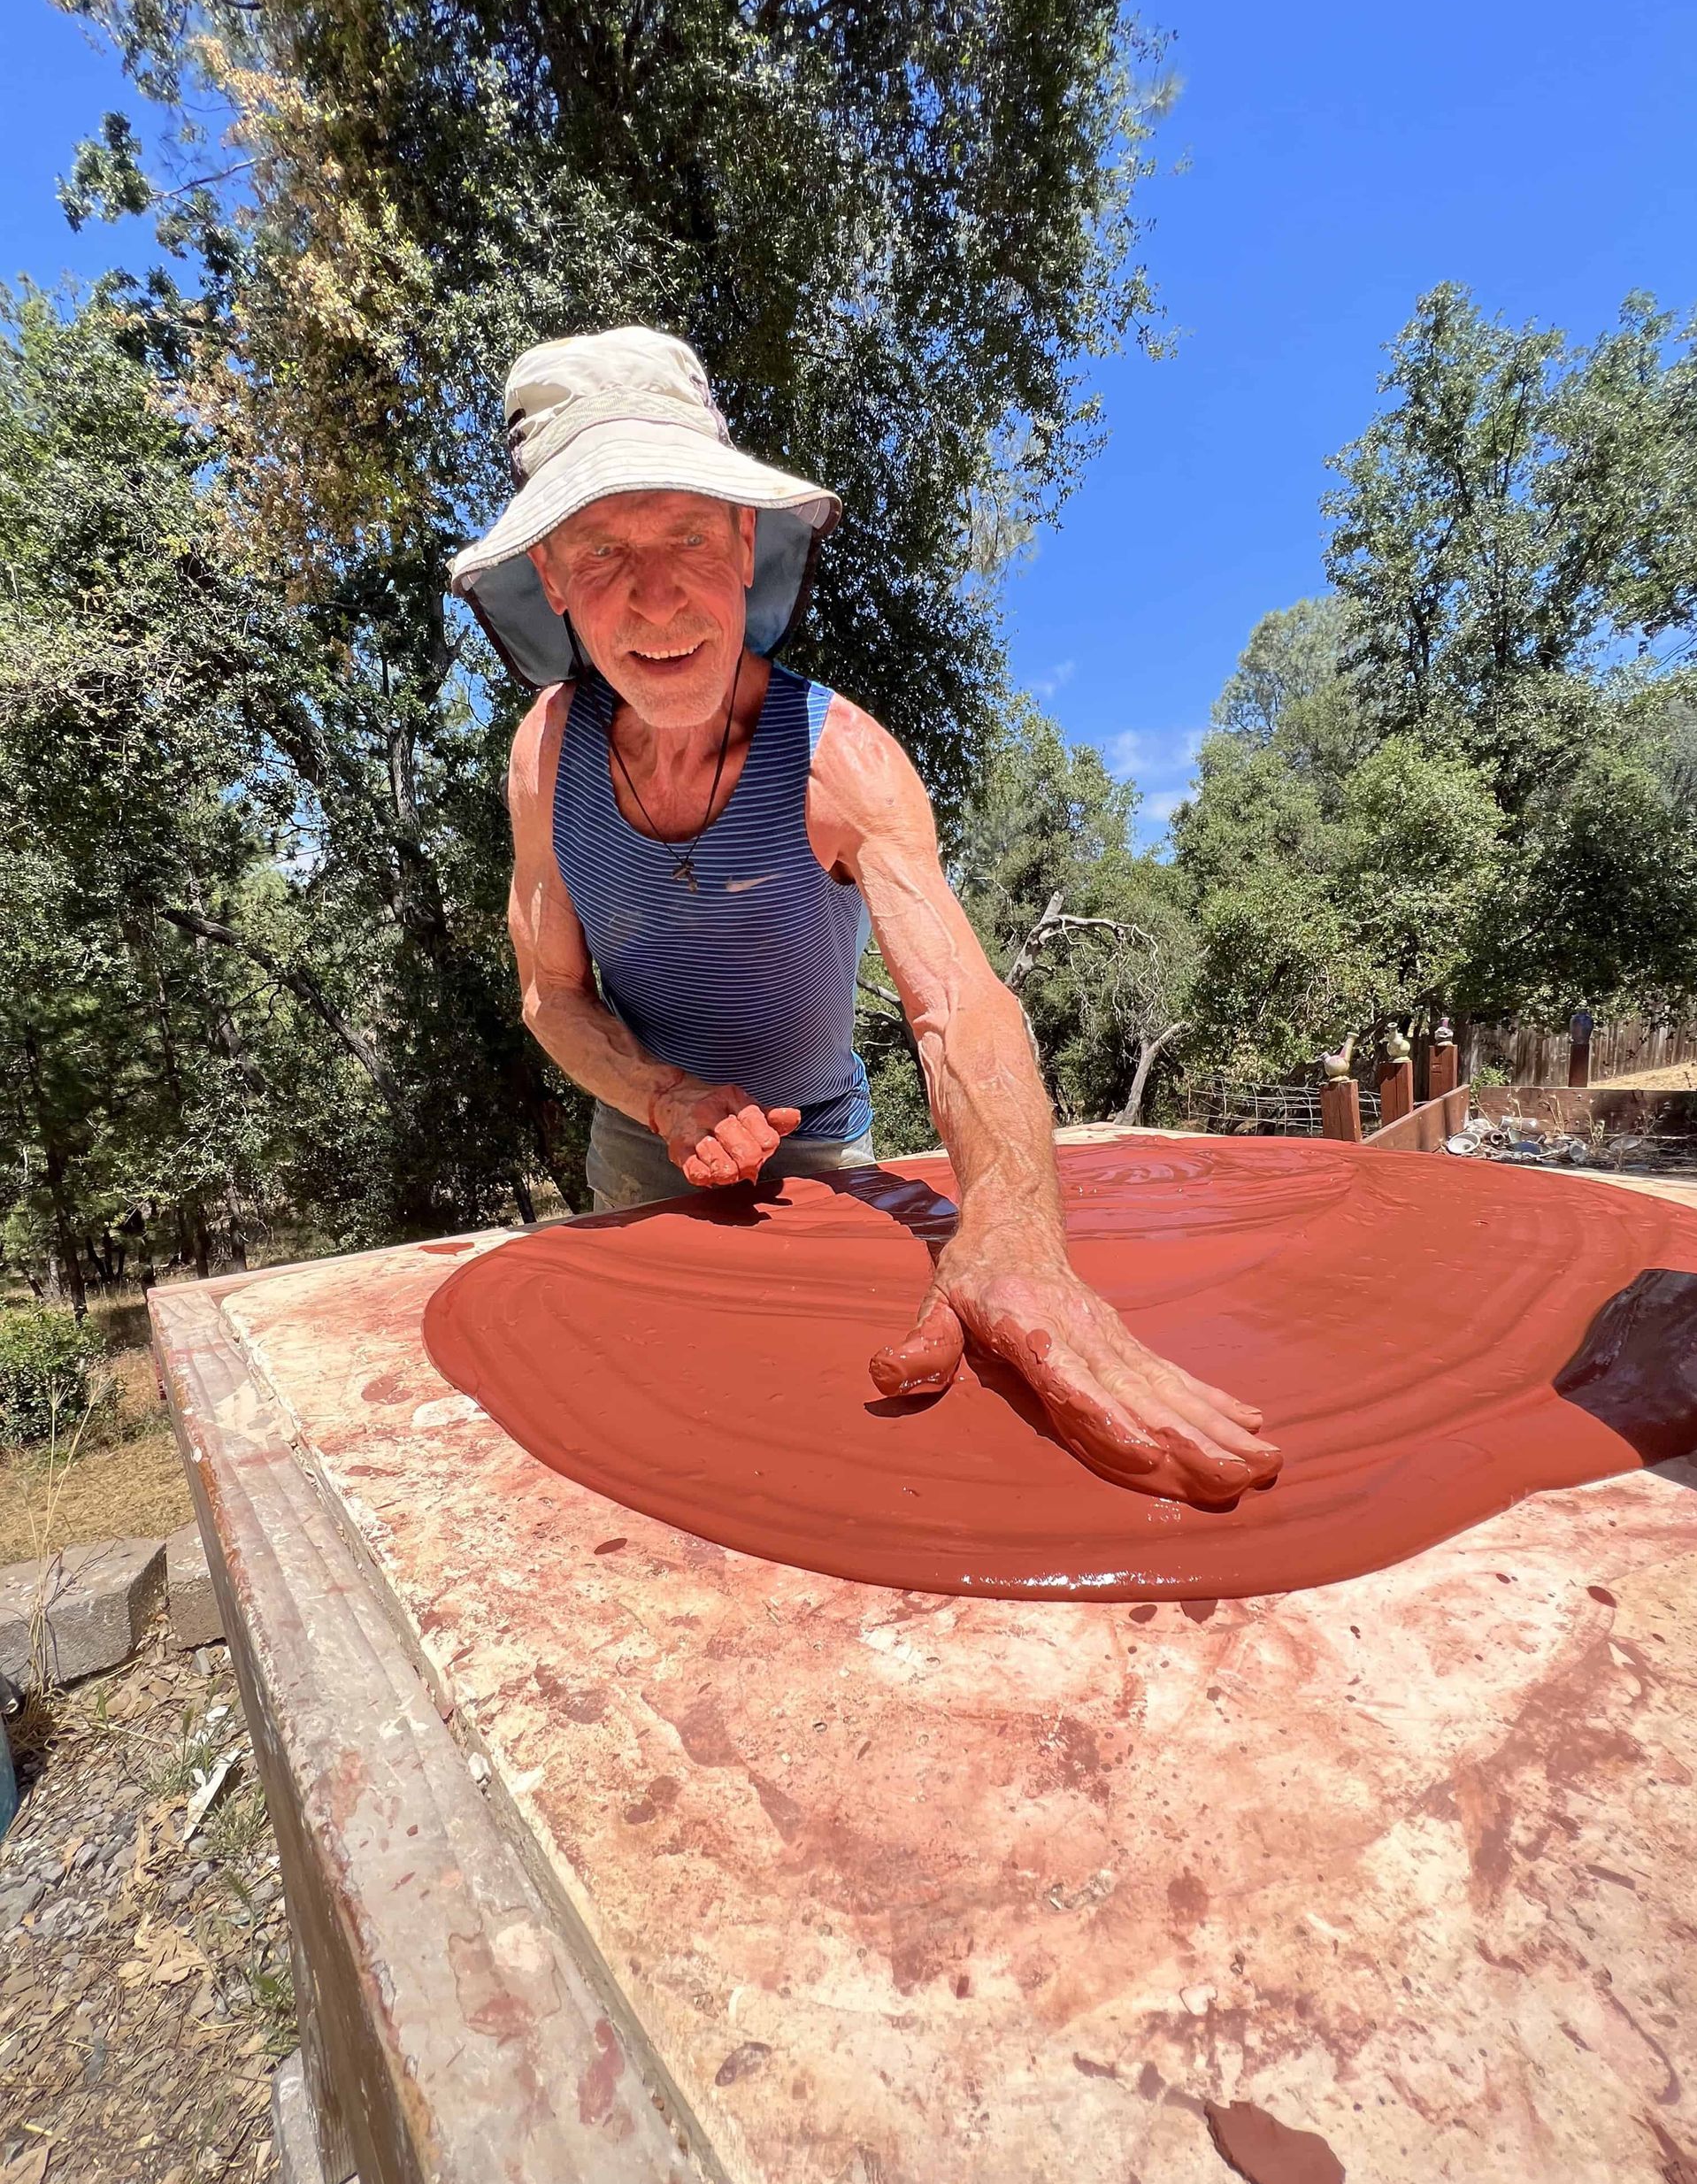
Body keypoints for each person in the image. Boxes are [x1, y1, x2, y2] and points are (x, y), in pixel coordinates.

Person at [450, 327, 1281, 1507]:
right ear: (553, 588)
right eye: (600, 552)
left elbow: (960, 1005)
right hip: (639, 1152)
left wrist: (1017, 1238)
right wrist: (664, 1098)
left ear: (746, 545)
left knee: (849, 1460)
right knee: (657, 1457)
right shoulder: (543, 758)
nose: (655, 597)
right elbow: (550, 991)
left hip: (829, 1153)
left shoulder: (842, 758)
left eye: (689, 533)